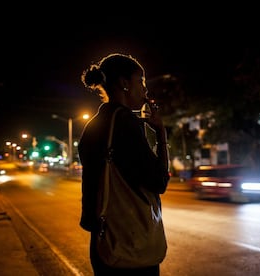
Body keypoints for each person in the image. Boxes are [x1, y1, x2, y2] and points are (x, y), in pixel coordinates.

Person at [78, 53, 170, 276]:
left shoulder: (94, 125)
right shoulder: (125, 123)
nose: (145, 89)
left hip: (103, 239)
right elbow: (159, 181)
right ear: (124, 84)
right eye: (141, 81)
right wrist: (160, 132)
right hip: (130, 242)